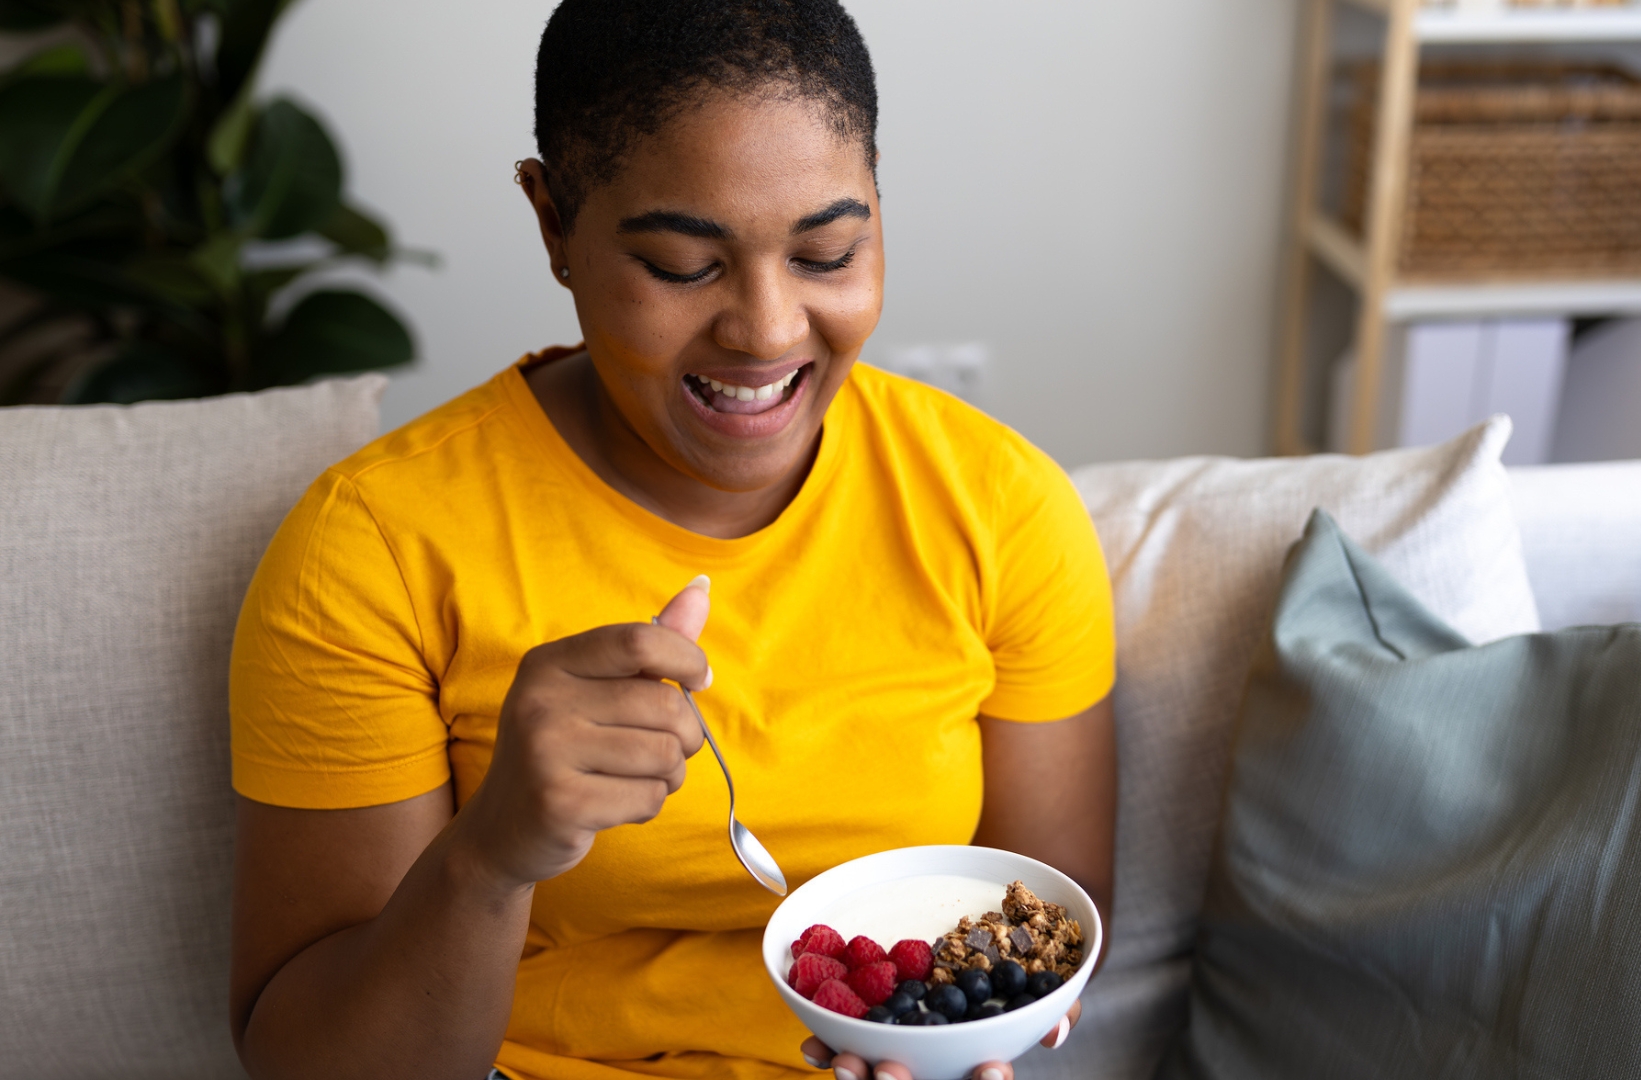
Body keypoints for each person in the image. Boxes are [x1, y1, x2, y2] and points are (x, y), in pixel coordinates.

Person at [225, 3, 1116, 1079]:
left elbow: (1049, 920)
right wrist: (494, 854)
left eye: (828, 251)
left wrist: (962, 1031)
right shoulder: (373, 547)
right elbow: (302, 1058)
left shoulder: (1000, 506)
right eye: (685, 265)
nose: (769, 329)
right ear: (554, 224)